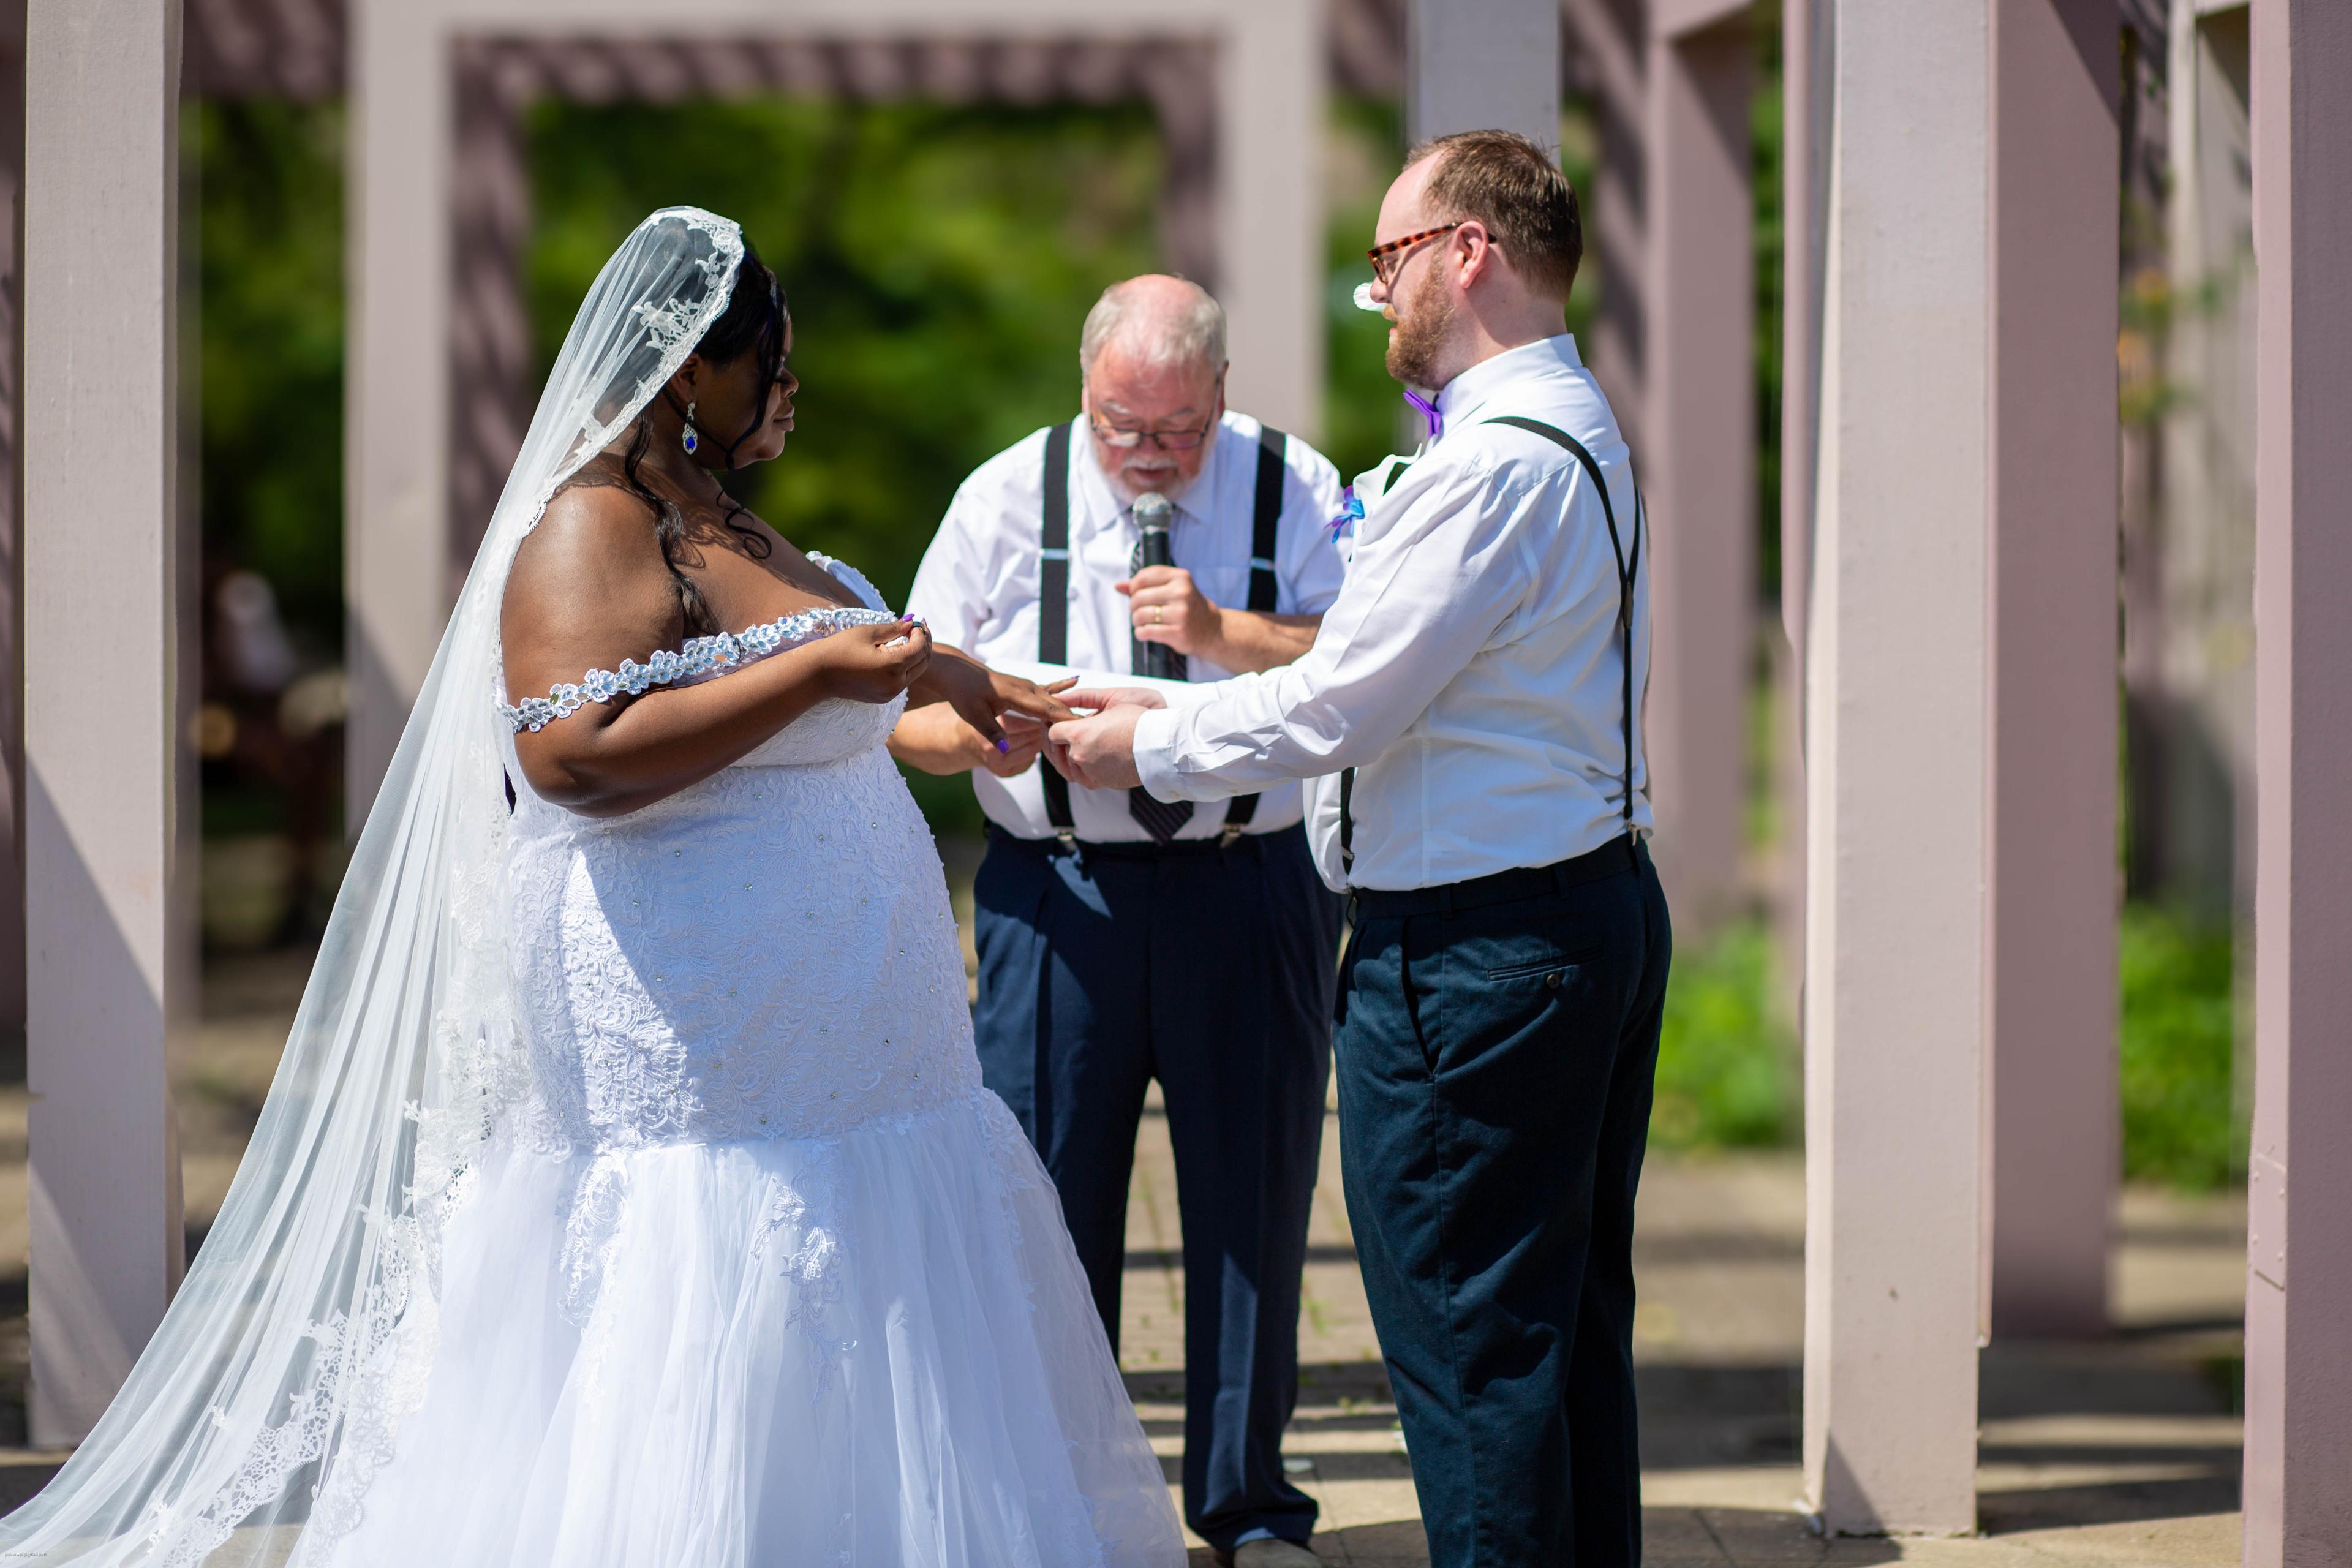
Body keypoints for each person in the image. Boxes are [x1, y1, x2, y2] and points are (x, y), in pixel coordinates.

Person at [0, 209, 1186, 1567]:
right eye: (771, 364)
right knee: (710, 1290)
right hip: (711, 1054)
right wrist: (818, 668)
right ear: (688, 372)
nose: (792, 389)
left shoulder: (720, 517)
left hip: (859, 1067)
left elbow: (801, 679)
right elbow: (572, 753)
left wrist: (954, 679)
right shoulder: (589, 525)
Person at [1049, 132, 1675, 1568]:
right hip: (1577, 909)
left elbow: (1343, 702)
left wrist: (1148, 741)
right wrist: (1170, 707)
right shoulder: (1578, 425)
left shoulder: (1491, 467)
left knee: (1470, 1345)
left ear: (1469, 251)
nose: (1377, 292)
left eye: (1390, 259)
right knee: (1562, 1326)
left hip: (1478, 954)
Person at [892, 276, 1348, 1566]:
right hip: (1061, 895)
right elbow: (905, 712)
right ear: (1083, 389)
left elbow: (1368, 656)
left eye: (1180, 428)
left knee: (1254, 1200)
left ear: (1221, 392)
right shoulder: (1003, 496)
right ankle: (1066, 1507)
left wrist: (1222, 630)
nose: (1149, 453)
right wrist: (989, 729)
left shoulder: (1293, 485)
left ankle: (1249, 1506)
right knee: (1042, 1202)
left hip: (1247, 885)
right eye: (1121, 425)